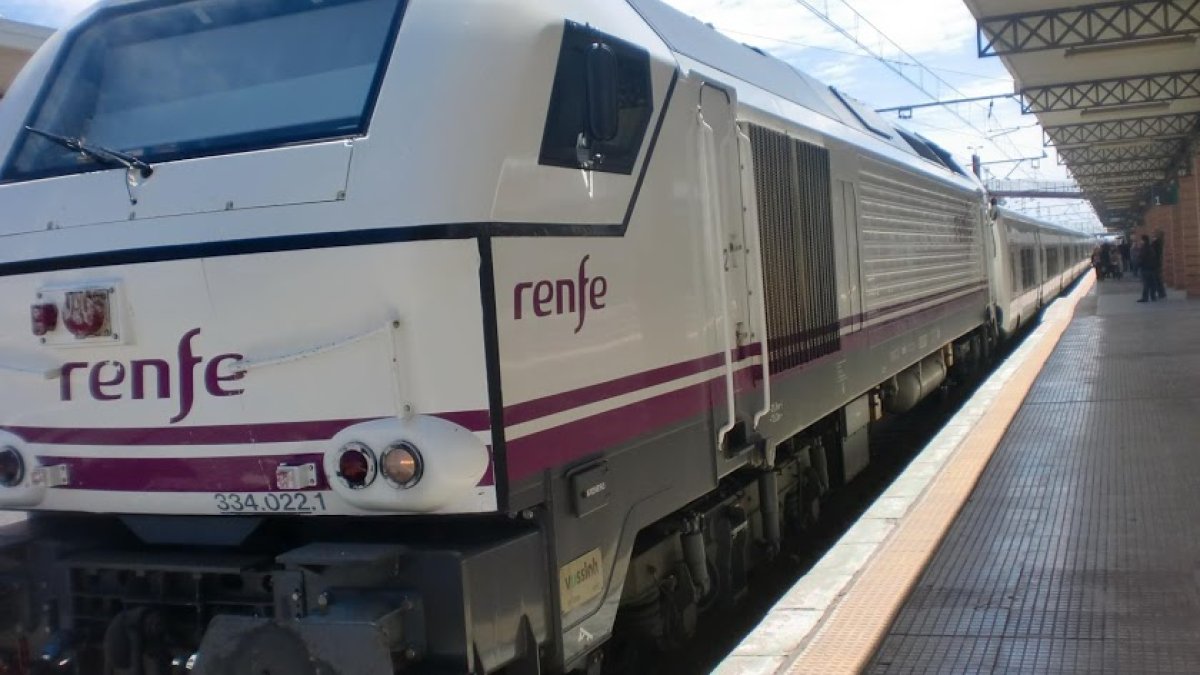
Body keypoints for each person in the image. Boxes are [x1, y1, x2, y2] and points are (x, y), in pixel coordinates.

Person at [1137, 234, 1161, 302]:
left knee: (1146, 284)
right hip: (1152, 268)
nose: (1140, 241)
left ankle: (1145, 298)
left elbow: (1141, 258)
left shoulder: (1144, 248)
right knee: (1152, 283)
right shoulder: (1151, 247)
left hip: (1145, 268)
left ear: (1143, 240)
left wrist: (1139, 264)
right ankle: (1153, 296)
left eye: (1141, 240)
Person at [1152, 231, 1166, 300]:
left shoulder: (1156, 243)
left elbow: (1153, 252)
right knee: (1158, 279)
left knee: (1157, 279)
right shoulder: (1161, 242)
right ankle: (1162, 293)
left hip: (1155, 264)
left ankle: (1161, 293)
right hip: (1158, 263)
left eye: (1154, 233)